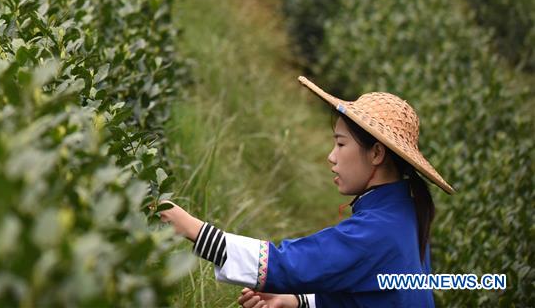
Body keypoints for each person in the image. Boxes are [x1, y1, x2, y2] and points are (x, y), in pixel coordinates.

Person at [159, 76, 454, 308]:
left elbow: (287, 264)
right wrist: (295, 300)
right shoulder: (405, 213)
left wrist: (191, 228)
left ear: (376, 153)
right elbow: (371, 295)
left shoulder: (378, 231)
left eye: (340, 144)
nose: (332, 156)